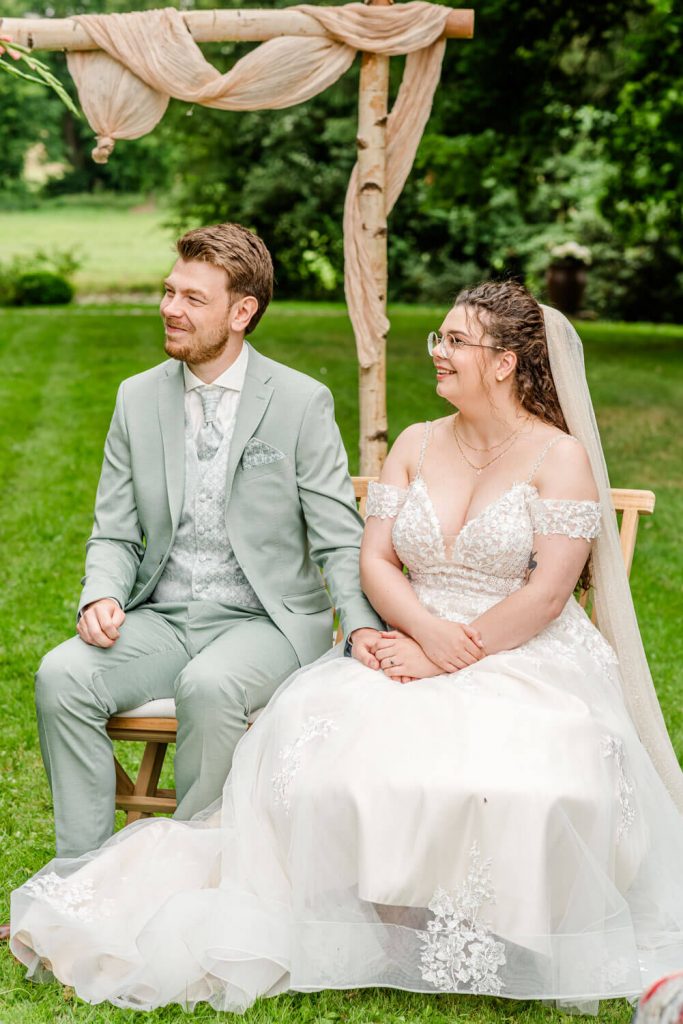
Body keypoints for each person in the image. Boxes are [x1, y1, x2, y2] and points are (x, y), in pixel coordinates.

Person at [10, 281, 683, 1014]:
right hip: (406, 635)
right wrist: (419, 636)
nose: (438, 353)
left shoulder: (560, 457)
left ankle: (507, 928)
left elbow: (548, 595)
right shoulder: (416, 442)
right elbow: (373, 562)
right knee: (324, 760)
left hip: (521, 649)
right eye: (439, 338)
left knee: (533, 776)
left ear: (506, 363)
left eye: (455, 341)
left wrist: (447, 655)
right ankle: (363, 917)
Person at [30, 221, 383, 861]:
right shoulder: (136, 397)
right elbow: (112, 528)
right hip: (163, 618)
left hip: (267, 623)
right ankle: (80, 878)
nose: (170, 308)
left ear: (242, 311)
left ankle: (193, 874)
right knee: (63, 675)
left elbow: (337, 537)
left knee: (210, 685)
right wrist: (100, 595)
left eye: (193, 298)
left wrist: (359, 627)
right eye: (169, 291)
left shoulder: (302, 402)